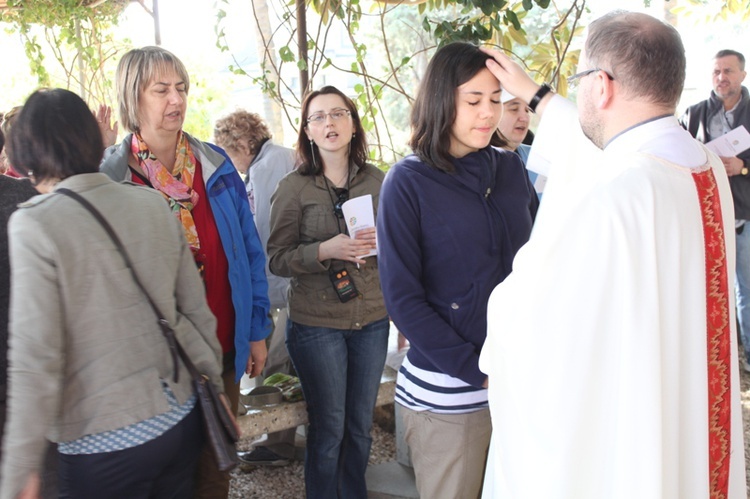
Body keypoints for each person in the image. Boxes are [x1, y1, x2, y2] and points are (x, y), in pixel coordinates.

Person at [479, 11, 745, 498]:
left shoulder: (610, 193)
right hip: (694, 425)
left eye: (579, 80)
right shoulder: (704, 167)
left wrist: (500, 321)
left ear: (601, 85)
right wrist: (540, 98)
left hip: (636, 436)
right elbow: (608, 153)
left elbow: (531, 321)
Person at [0, 88, 225, 499]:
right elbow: (195, 310)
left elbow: (36, 359)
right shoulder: (149, 203)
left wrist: (20, 467)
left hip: (102, 442)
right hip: (178, 419)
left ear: (25, 152)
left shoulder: (35, 224)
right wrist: (217, 390)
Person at [100, 46, 272, 498]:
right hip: (152, 364)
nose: (176, 100)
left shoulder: (213, 164)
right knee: (162, 476)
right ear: (131, 97)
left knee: (215, 470)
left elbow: (249, 252)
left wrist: (256, 328)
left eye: (181, 88)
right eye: (161, 90)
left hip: (221, 349)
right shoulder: (112, 177)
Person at [376, 42, 538, 499]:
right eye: (474, 101)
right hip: (449, 395)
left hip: (520, 385)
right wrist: (478, 370)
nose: (488, 114)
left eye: (495, 99)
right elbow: (403, 299)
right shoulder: (407, 181)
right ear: (442, 100)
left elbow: (537, 264)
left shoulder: (510, 169)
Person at [267, 85, 389, 498]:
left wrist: (382, 242)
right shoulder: (293, 187)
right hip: (317, 323)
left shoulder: (378, 181)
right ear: (308, 131)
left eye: (338, 114)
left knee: (360, 427)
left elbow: (403, 245)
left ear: (353, 125)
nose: (329, 123)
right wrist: (324, 250)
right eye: (318, 117)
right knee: (329, 428)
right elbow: (277, 258)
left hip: (372, 319)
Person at [213, 110, 297, 465]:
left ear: (243, 143)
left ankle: (277, 443)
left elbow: (259, 235)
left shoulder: (265, 169)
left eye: (228, 152)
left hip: (285, 283)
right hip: (290, 280)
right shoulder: (279, 157)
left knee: (278, 361)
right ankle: (278, 439)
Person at [679, 49, 750, 372]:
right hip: (706, 217)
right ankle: (712, 363)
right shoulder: (693, 114)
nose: (722, 77)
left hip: (746, 216)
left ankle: (747, 359)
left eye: (728, 71)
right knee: (706, 293)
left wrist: (744, 166)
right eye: (716, 72)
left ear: (743, 75)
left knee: (746, 291)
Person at [497, 90, 546, 193]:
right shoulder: (474, 162)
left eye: (527, 110)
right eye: (514, 109)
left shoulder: (540, 157)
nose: (524, 118)